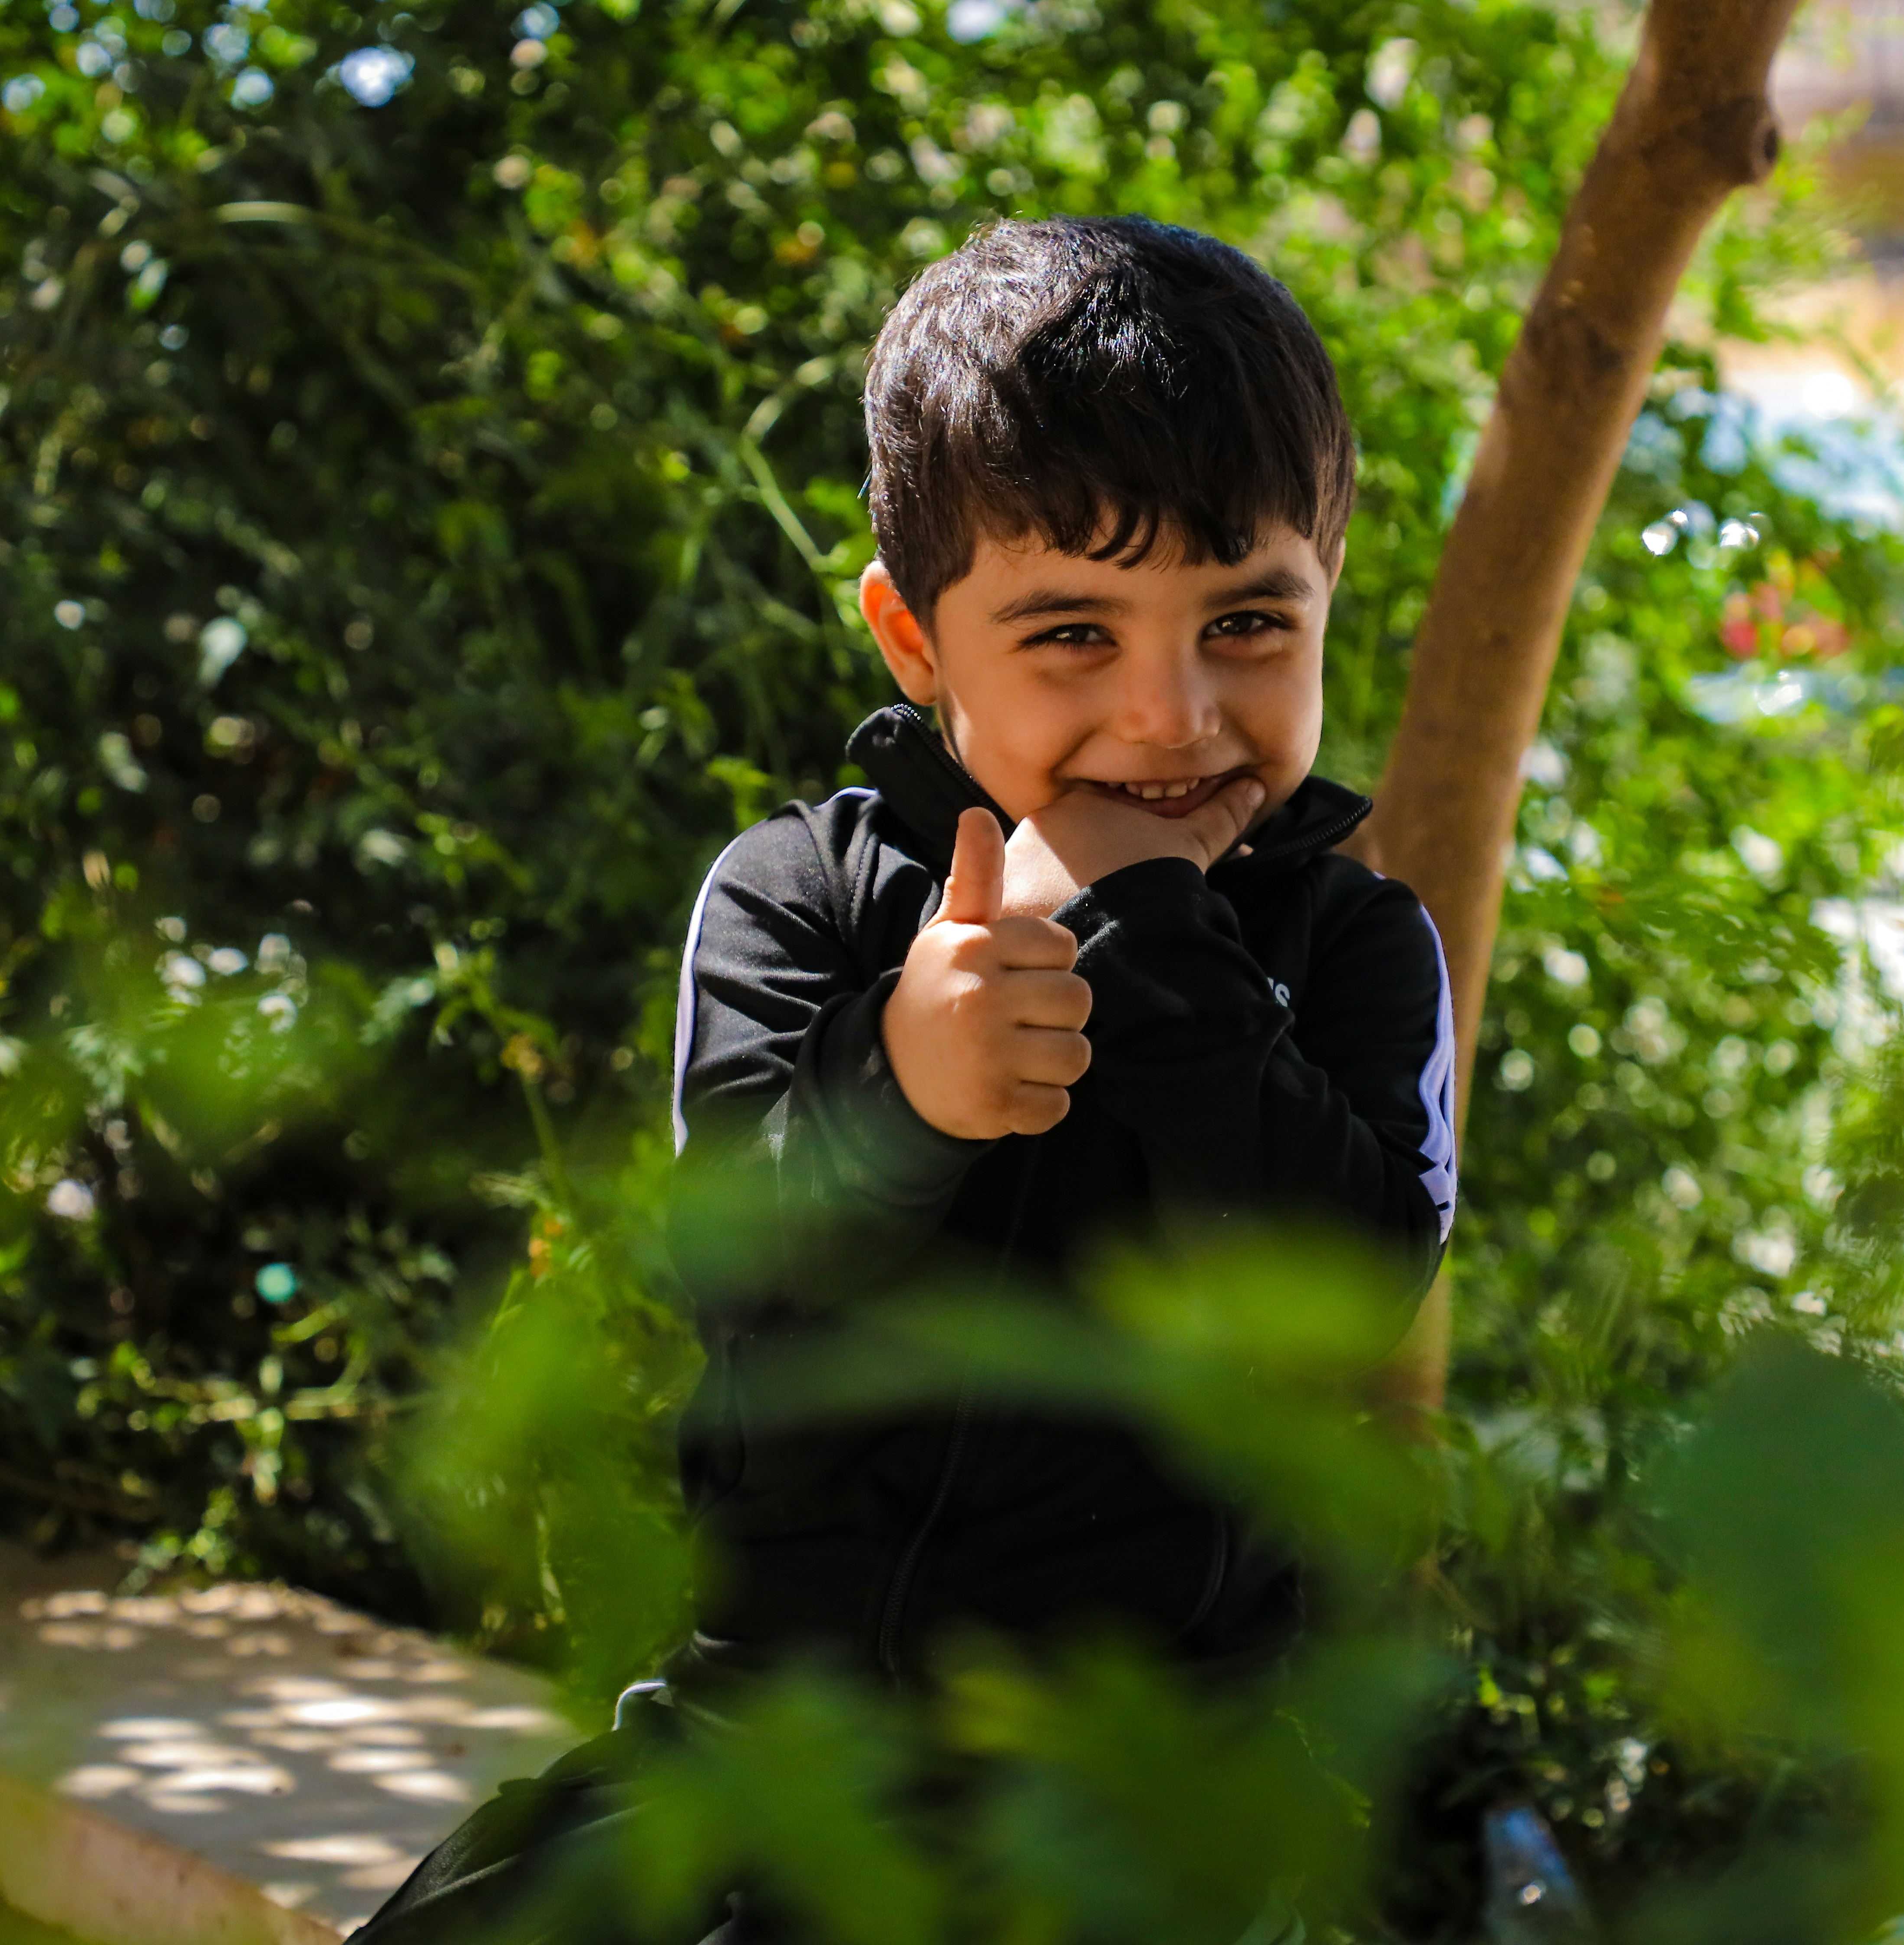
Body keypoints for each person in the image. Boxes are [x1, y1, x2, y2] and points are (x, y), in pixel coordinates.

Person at [350, 214, 1455, 1945]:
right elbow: (734, 1282)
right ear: (915, 642)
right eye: (1073, 635)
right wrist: (903, 1092)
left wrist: (1159, 931)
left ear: (1330, 592)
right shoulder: (794, 901)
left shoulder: (1357, 950)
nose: (1171, 716)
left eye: (1246, 620)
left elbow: (1348, 1291)